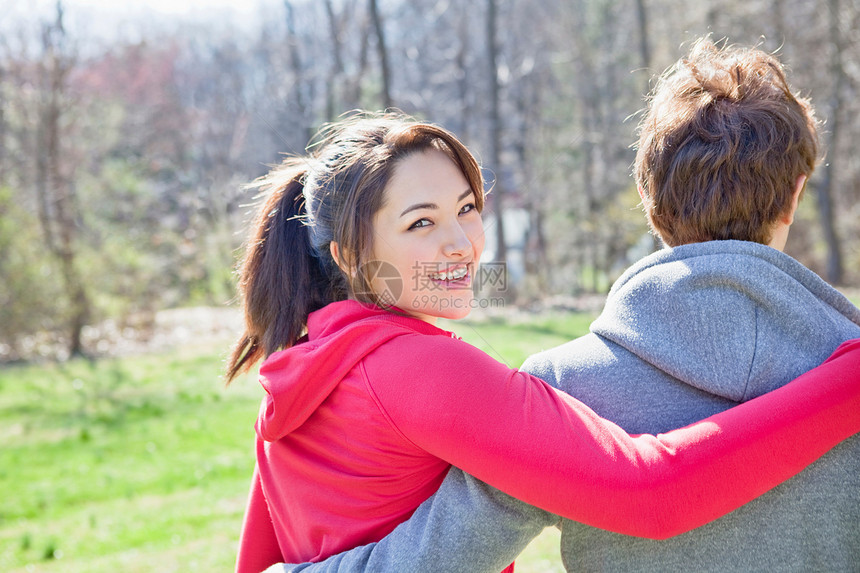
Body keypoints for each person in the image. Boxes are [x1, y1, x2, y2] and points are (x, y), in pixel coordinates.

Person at [268, 41, 860, 573]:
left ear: (650, 203)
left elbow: (265, 545)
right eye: (421, 221)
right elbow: (653, 492)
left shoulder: (299, 370)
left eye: (467, 208)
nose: (460, 242)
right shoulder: (423, 369)